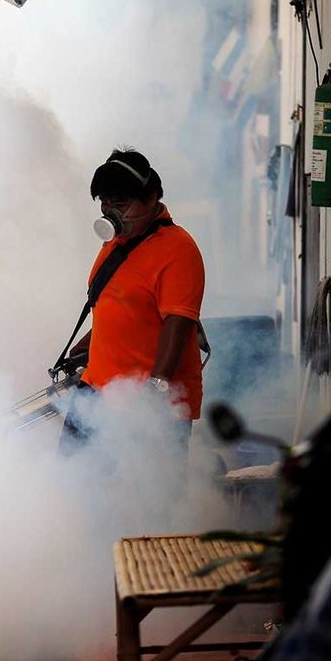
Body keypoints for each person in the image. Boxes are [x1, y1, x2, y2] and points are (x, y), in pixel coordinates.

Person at [59, 148, 205, 454]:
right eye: (105, 204)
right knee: (73, 485)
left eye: (121, 203)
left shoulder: (177, 249)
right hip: (97, 390)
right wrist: (91, 343)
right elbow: (119, 305)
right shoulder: (116, 243)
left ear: (152, 198)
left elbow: (178, 322)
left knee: (146, 497)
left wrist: (156, 388)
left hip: (148, 407)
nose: (111, 213)